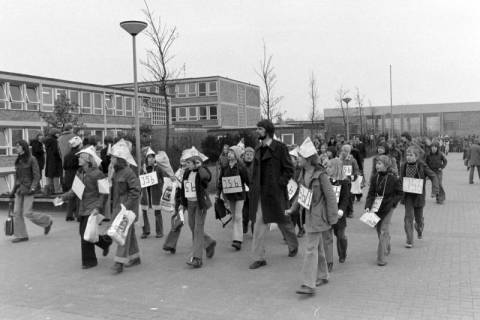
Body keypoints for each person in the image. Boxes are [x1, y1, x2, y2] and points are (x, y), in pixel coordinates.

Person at [285, 137, 338, 295]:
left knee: (310, 249)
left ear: (307, 159)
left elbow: (330, 197)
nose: (297, 159)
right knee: (318, 247)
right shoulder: (302, 174)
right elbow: (302, 195)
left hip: (319, 217)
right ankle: (323, 275)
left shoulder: (320, 175)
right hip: (309, 216)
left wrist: (333, 218)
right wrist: (292, 209)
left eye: (299, 157)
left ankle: (308, 284)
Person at [249, 120, 298, 270]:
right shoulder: (258, 148)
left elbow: (289, 169)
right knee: (259, 225)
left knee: (283, 221)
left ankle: (293, 244)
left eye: (260, 128)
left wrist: (280, 184)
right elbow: (255, 172)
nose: (257, 131)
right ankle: (259, 257)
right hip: (261, 194)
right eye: (257, 128)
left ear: (268, 131)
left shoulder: (280, 148)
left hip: (276, 193)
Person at [58, 146, 112, 269]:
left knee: (84, 234)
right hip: (82, 208)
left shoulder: (98, 174)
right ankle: (105, 242)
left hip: (92, 208)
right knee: (86, 233)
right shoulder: (80, 173)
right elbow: (75, 191)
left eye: (81, 157)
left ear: (88, 159)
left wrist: (98, 207)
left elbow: (105, 193)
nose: (78, 159)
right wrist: (62, 197)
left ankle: (90, 261)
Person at [178, 147, 216, 268]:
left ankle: (197, 258)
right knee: (192, 226)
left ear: (195, 163)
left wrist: (200, 166)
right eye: (186, 162)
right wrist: (182, 204)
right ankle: (209, 242)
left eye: (189, 163)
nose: (186, 164)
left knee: (198, 230)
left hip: (200, 205)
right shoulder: (187, 173)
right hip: (190, 204)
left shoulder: (201, 172)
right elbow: (183, 189)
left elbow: (207, 177)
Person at [10, 140, 53, 243]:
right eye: (16, 146)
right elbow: (17, 177)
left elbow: (37, 175)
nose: (16, 148)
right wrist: (13, 191)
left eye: (18, 146)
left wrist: (33, 188)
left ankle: (47, 220)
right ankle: (21, 235)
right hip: (19, 190)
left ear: (23, 147)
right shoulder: (18, 160)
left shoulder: (32, 159)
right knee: (16, 213)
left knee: (27, 213)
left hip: (29, 190)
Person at [110, 143, 142, 274]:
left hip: (127, 209)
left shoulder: (128, 172)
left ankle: (119, 263)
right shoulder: (116, 172)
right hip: (120, 207)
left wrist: (126, 206)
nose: (111, 159)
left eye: (113, 157)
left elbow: (136, 190)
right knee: (129, 233)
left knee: (122, 233)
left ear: (119, 159)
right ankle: (135, 258)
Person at [364, 155, 403, 266]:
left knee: (383, 229)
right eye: (376, 163)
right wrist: (367, 206)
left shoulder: (393, 178)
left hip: (388, 206)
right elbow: (371, 193)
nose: (377, 166)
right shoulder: (374, 177)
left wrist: (393, 203)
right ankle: (387, 243)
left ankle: (380, 258)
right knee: (379, 228)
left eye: (380, 163)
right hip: (376, 206)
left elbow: (400, 193)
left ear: (386, 165)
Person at [401, 146, 439, 248]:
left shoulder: (422, 165)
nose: (408, 157)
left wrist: (435, 190)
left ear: (416, 156)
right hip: (408, 196)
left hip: (419, 196)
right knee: (408, 218)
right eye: (407, 155)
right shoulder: (404, 165)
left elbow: (433, 176)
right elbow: (400, 180)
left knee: (419, 220)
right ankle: (409, 240)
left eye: (411, 155)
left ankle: (419, 229)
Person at [217, 145, 249, 251]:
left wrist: (253, 191)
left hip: (239, 195)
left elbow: (247, 180)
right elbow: (221, 181)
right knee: (234, 216)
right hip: (230, 196)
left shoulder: (241, 167)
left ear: (236, 154)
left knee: (238, 217)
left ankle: (237, 240)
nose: (229, 154)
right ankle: (237, 237)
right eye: (229, 152)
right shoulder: (225, 166)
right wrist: (218, 193)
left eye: (232, 152)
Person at [324, 158, 350, 270]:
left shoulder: (344, 182)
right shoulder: (325, 180)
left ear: (337, 168)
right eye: (327, 167)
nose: (327, 169)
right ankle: (328, 261)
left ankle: (342, 253)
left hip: (339, 214)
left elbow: (345, 198)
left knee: (340, 236)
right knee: (327, 237)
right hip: (328, 213)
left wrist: (341, 210)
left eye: (330, 167)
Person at [140, 147, 169, 239]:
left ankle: (159, 231)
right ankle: (146, 231)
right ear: (146, 159)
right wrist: (144, 174)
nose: (151, 159)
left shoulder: (158, 168)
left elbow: (163, 180)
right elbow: (140, 181)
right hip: (145, 194)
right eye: (149, 157)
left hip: (155, 193)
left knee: (157, 212)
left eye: (152, 157)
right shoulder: (143, 169)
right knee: (144, 212)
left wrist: (156, 180)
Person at [63, 136, 82, 221]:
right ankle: (78, 215)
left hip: (68, 176)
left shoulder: (67, 155)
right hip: (77, 176)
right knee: (78, 196)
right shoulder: (79, 154)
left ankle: (69, 215)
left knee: (70, 196)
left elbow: (64, 167)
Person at [338, 144, 360, 218]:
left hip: (349, 181)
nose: (343, 152)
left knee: (349, 197)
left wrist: (353, 176)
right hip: (340, 180)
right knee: (342, 196)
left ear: (349, 152)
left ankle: (350, 211)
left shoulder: (352, 160)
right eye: (342, 150)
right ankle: (343, 211)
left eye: (345, 151)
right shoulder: (339, 159)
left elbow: (356, 170)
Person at [44, 128, 63, 195]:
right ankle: (57, 190)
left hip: (49, 161)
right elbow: (56, 151)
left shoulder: (47, 141)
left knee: (50, 176)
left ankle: (49, 190)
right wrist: (60, 158)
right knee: (56, 176)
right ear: (54, 134)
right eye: (58, 133)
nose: (59, 134)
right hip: (55, 161)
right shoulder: (54, 141)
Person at [242, 146, 255, 235]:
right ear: (244, 156)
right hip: (244, 193)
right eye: (247, 154)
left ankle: (254, 230)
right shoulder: (241, 166)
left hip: (254, 192)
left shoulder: (256, 166)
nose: (249, 156)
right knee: (245, 212)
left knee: (254, 212)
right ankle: (245, 223)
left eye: (251, 154)